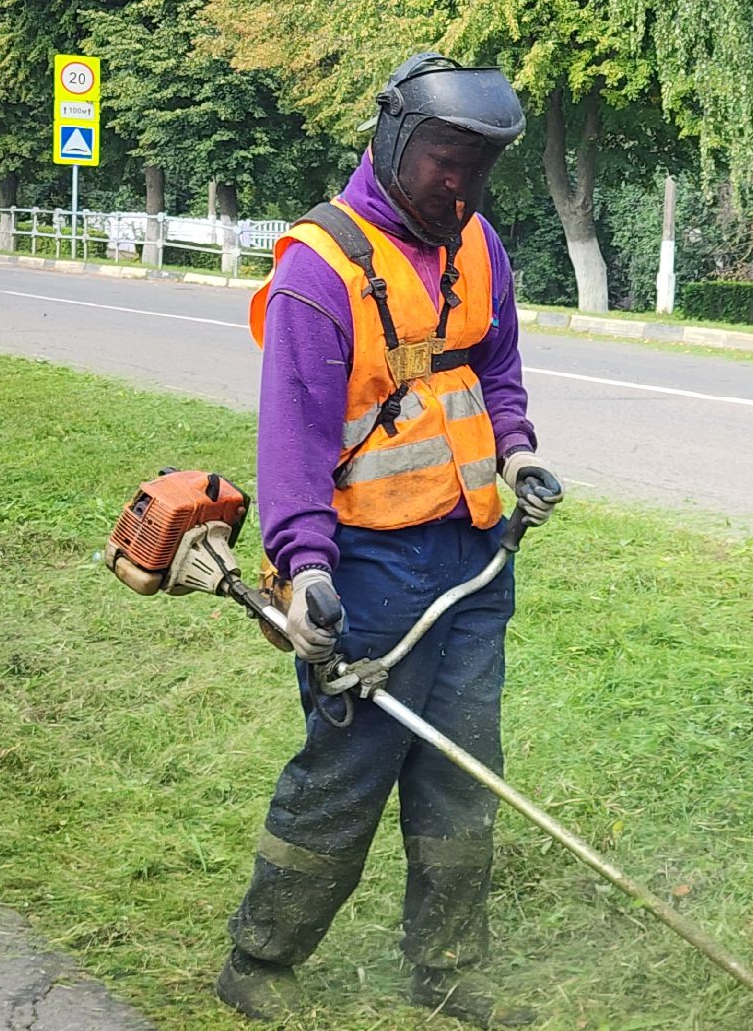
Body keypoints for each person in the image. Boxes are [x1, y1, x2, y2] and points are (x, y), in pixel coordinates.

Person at [216, 53, 561, 1026]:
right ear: (396, 141)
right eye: (445, 162)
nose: (461, 186)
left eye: (479, 168)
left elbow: (496, 372)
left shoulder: (479, 245)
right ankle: (260, 960)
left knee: (464, 772)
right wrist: (306, 570)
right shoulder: (318, 273)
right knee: (347, 775)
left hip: (471, 561)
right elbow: (291, 441)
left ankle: (447, 971)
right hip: (368, 572)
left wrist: (520, 453)